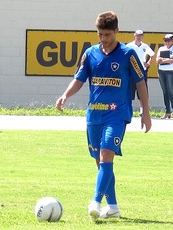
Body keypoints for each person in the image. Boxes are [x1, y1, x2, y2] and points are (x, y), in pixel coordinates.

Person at [56, 11, 151, 220]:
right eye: (100, 34)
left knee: (106, 156)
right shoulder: (90, 54)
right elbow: (79, 79)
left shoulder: (128, 55)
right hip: (94, 116)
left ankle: (96, 202)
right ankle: (114, 206)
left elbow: (141, 83)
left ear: (116, 31)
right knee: (100, 164)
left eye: (107, 35)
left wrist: (145, 111)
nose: (103, 39)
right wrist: (64, 96)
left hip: (117, 115)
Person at [126, 29, 155, 115]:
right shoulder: (129, 46)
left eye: (140, 35)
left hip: (142, 72)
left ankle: (142, 111)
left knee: (142, 92)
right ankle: (128, 110)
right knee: (129, 92)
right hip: (131, 72)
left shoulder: (145, 46)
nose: (139, 37)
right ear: (134, 36)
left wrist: (148, 63)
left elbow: (153, 55)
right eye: (137, 35)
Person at [156, 34, 173, 119]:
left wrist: (163, 60)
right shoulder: (161, 49)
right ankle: (167, 111)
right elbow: (157, 60)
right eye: (165, 40)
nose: (167, 42)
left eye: (168, 40)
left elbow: (172, 61)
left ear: (172, 41)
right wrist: (165, 60)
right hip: (161, 71)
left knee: (171, 91)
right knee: (165, 92)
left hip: (170, 72)